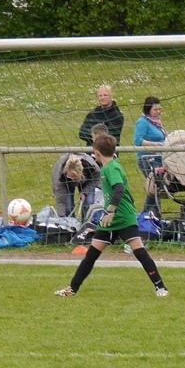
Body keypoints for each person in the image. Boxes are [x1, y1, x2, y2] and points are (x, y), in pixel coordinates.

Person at [54, 133, 169, 298]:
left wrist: (111, 210)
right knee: (91, 255)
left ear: (97, 153)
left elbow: (119, 188)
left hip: (123, 218)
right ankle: (72, 289)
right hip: (109, 221)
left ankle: (161, 288)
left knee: (139, 252)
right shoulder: (106, 168)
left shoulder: (111, 168)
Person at [133, 96, 167, 214]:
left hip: (159, 158)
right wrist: (156, 144)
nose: (158, 112)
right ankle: (147, 214)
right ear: (148, 109)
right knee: (155, 186)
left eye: (159, 109)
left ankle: (153, 214)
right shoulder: (143, 122)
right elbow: (138, 141)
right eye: (155, 110)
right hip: (147, 159)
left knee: (157, 187)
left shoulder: (157, 122)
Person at [51, 153, 101, 219]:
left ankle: (86, 223)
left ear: (81, 173)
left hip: (87, 180)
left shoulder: (92, 167)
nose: (72, 179)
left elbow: (96, 179)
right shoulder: (60, 176)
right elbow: (61, 201)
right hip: (65, 182)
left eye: (74, 178)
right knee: (67, 207)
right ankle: (70, 223)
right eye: (70, 177)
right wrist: (62, 218)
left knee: (88, 203)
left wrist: (84, 192)